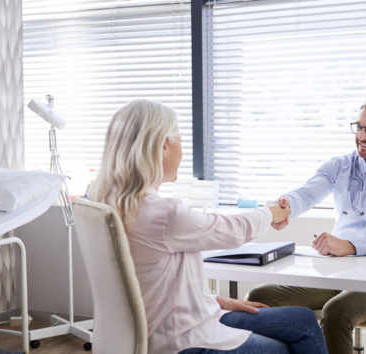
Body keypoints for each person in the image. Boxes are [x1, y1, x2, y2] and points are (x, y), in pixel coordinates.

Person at [89, 99, 328, 354]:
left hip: (158, 325)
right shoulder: (162, 213)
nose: (182, 150)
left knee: (302, 320)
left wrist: (217, 301)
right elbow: (231, 230)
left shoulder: (101, 197)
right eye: (180, 140)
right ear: (163, 146)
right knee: (285, 349)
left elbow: (146, 285)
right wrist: (270, 213)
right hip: (181, 339)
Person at [246, 98, 366, 354]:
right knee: (261, 296)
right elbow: (307, 193)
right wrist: (286, 207)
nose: (362, 136)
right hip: (339, 271)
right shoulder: (340, 165)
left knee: (337, 311)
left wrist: (351, 246)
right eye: (359, 127)